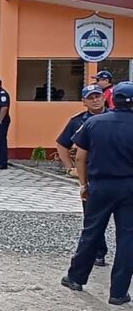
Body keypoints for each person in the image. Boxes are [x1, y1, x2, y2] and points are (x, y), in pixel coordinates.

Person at [61, 81, 133, 306]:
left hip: (100, 185)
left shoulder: (94, 123)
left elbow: (80, 157)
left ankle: (76, 278)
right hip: (130, 187)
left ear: (112, 99)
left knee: (91, 232)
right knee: (128, 238)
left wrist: (84, 184)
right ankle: (118, 293)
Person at [55, 84, 109, 266]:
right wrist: (71, 168)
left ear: (104, 97)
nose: (95, 100)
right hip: (92, 175)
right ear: (84, 102)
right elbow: (62, 144)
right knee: (93, 218)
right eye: (91, 97)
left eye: (98, 96)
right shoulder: (78, 121)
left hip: (116, 172)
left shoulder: (117, 118)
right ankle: (99, 252)